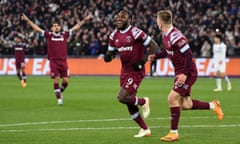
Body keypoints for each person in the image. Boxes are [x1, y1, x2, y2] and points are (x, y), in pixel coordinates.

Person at [148, 10, 224, 142]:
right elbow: (168, 51)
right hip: (180, 72)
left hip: (188, 72)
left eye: (157, 20)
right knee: (186, 105)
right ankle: (213, 105)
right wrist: (156, 56)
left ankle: (173, 133)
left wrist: (184, 73)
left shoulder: (176, 36)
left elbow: (188, 54)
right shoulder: (165, 36)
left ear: (160, 22)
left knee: (172, 98)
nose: (156, 22)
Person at [104, 10, 160, 138]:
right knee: (129, 102)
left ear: (129, 20)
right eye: (118, 18)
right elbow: (111, 52)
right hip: (124, 71)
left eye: (122, 18)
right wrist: (109, 56)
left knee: (122, 97)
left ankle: (143, 101)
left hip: (136, 70)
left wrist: (143, 60)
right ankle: (145, 129)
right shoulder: (113, 36)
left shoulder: (135, 32)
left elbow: (154, 46)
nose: (119, 20)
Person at [21, 13, 93, 105]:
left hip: (63, 61)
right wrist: (27, 20)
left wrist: (86, 19)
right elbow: (37, 29)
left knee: (66, 81)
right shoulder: (49, 35)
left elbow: (77, 27)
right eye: (54, 26)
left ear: (60, 27)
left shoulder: (64, 34)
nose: (56, 27)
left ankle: (60, 91)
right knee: (56, 79)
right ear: (52, 28)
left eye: (57, 25)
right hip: (53, 61)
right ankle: (59, 98)